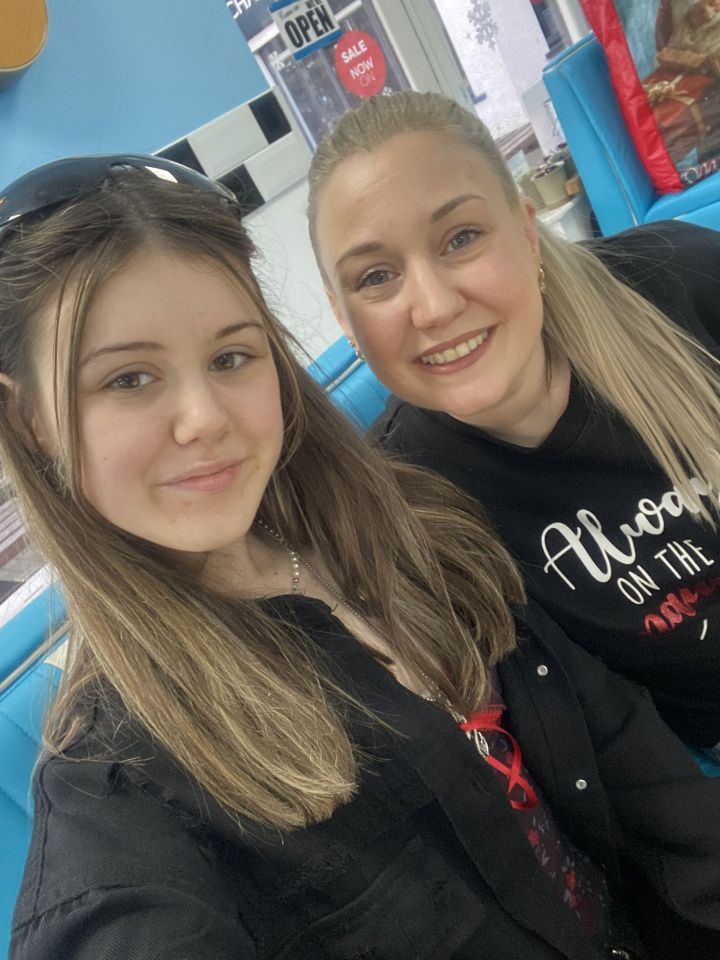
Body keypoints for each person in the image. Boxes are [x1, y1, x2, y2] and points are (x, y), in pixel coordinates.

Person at [3, 156, 720, 960]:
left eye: (232, 357)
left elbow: (640, 776)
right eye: (129, 378)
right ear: (29, 418)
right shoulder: (119, 788)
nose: (203, 418)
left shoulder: (417, 527)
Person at [308, 90, 720, 763]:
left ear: (527, 232)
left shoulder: (683, 284)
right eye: (377, 276)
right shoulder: (403, 509)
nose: (434, 307)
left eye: (462, 238)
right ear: (342, 315)